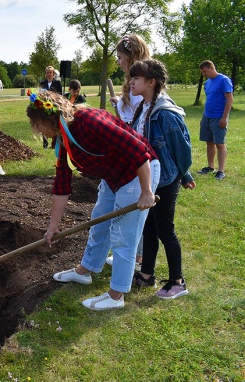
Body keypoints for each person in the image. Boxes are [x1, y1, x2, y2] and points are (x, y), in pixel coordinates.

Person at [27, 91, 159, 310]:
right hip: (113, 175)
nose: (37, 129)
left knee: (123, 235)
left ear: (49, 118)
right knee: (99, 223)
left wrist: (146, 191)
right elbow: (62, 183)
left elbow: (138, 150)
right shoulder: (63, 136)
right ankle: (84, 271)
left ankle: (116, 295)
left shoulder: (89, 121)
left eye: (37, 123)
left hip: (138, 172)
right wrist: (53, 227)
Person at [128, 59, 194, 299]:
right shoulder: (144, 107)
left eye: (136, 78)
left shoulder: (164, 113)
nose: (131, 81)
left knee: (166, 230)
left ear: (151, 82)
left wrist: (184, 174)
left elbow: (182, 150)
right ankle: (147, 275)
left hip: (165, 179)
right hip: (150, 180)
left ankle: (178, 281)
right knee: (149, 229)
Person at [106, 33, 151, 270]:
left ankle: (137, 258)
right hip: (132, 147)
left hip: (139, 151)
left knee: (136, 208)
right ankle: (134, 255)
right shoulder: (133, 81)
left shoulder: (141, 82)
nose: (118, 60)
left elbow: (138, 118)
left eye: (120, 56)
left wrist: (123, 108)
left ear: (131, 55)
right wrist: (119, 103)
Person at [196, 60, 233, 180]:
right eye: (202, 72)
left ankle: (221, 171)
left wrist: (224, 117)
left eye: (205, 71)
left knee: (219, 144)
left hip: (219, 117)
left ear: (211, 68)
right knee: (209, 142)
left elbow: (229, 99)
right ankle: (210, 167)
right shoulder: (207, 83)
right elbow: (209, 100)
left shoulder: (224, 80)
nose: (203, 74)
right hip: (207, 116)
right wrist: (203, 117)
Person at [109, 34, 150, 123]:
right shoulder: (134, 82)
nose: (118, 62)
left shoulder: (142, 85)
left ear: (130, 57)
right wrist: (118, 102)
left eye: (119, 58)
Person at [39, 66, 63, 148]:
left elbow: (60, 95)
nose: (49, 74)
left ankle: (54, 144)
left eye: (50, 72)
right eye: (47, 72)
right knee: (44, 124)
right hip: (44, 107)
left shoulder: (57, 83)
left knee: (54, 124)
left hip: (54, 107)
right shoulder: (42, 83)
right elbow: (40, 95)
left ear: (53, 74)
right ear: (45, 74)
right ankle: (45, 143)